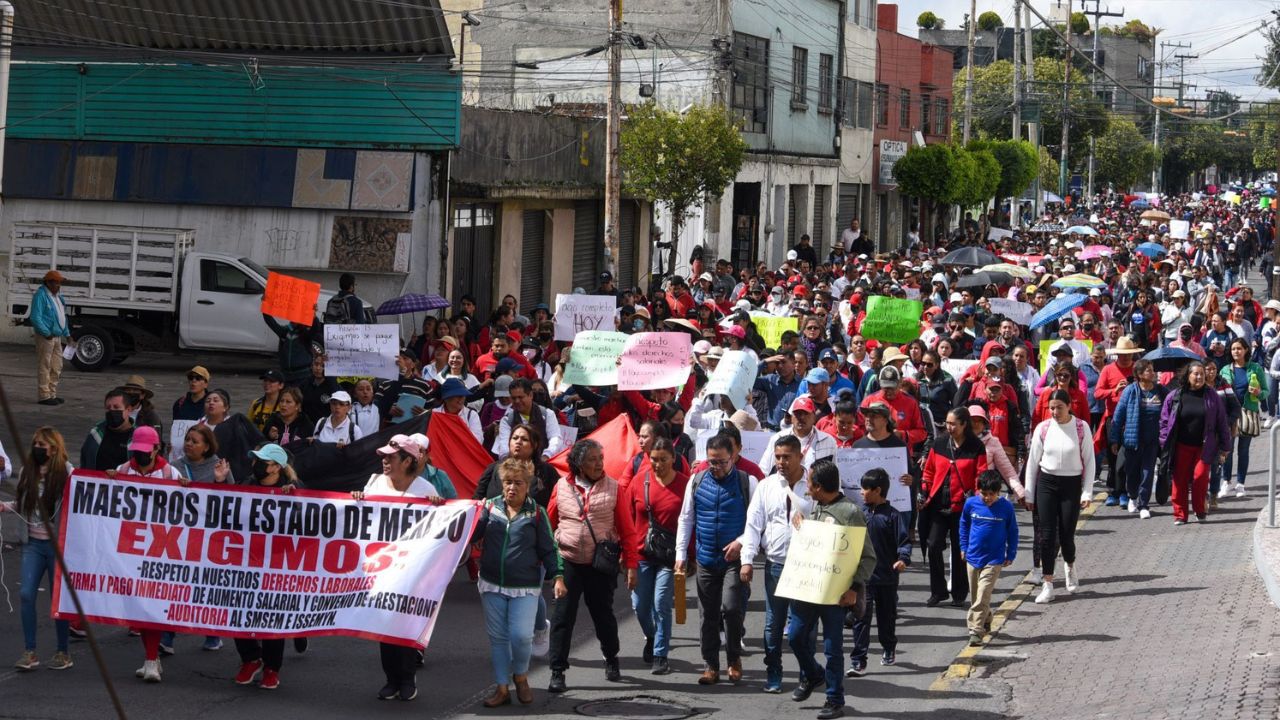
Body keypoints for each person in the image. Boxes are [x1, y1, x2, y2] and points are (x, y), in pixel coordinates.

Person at [786, 459, 877, 720]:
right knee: (795, 636)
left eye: (810, 482)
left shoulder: (850, 513)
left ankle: (835, 699)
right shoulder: (816, 507)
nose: (807, 488)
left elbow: (867, 557)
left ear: (819, 486)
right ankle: (814, 675)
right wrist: (803, 529)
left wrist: (854, 588)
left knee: (832, 648)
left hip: (836, 595)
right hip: (809, 589)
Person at [473, 458, 567, 707]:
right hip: (492, 583)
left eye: (517, 483)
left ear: (528, 485)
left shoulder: (537, 513)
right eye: (507, 483)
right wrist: (473, 514)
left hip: (525, 586)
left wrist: (558, 576)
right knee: (499, 639)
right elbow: (470, 535)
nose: (511, 487)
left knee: (521, 636)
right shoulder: (489, 508)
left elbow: (550, 548)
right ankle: (502, 688)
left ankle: (521, 676)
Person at [545, 439, 638, 693]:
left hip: (600, 564)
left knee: (603, 616)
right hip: (568, 562)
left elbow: (628, 532)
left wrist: (631, 565)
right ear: (578, 464)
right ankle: (557, 670)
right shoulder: (561, 487)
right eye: (592, 459)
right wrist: (548, 562)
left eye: (600, 458)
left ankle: (611, 658)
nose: (599, 464)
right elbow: (548, 522)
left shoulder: (615, 488)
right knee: (563, 618)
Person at [351, 435, 438, 700]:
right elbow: (362, 516)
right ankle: (391, 679)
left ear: (408, 461)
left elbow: (440, 528)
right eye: (384, 456)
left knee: (405, 624)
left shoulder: (424, 489)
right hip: (380, 567)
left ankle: (407, 678)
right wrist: (358, 499)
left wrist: (437, 507)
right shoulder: (376, 482)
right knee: (384, 623)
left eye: (391, 457)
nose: (385, 461)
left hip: (411, 567)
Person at [675, 434, 757, 685]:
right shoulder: (696, 482)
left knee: (731, 609)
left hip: (734, 559)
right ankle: (710, 665)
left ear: (733, 457)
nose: (717, 467)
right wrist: (680, 555)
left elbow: (756, 523)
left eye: (722, 462)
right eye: (712, 462)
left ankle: (734, 659)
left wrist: (741, 542)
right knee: (707, 616)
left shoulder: (747, 482)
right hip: (706, 559)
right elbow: (686, 519)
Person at [105, 426, 184, 682]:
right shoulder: (124, 469)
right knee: (140, 607)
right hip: (131, 548)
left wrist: (185, 488)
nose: (139, 456)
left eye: (144, 452)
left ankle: (151, 659)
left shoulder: (170, 472)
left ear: (157, 449)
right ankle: (152, 658)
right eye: (136, 452)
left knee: (154, 605)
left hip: (161, 548)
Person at [740, 435, 811, 692]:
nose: (780, 462)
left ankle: (807, 673)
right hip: (776, 565)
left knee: (804, 625)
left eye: (786, 457)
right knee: (773, 623)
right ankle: (774, 671)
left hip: (807, 567)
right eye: (777, 456)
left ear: (799, 457)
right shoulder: (766, 486)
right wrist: (746, 560)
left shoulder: (813, 483)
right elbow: (753, 524)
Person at [3, 427, 74, 671]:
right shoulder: (27, 470)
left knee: (58, 599)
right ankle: (30, 650)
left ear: (54, 448)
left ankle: (63, 651)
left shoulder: (66, 471)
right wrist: (5, 506)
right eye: (35, 443)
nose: (37, 448)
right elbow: (23, 503)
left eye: (42, 445)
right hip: (32, 542)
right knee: (25, 595)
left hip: (56, 546)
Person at [626, 437, 689, 677]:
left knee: (661, 602)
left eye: (664, 459)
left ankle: (661, 655)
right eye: (654, 459)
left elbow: (690, 522)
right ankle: (652, 638)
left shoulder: (685, 485)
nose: (658, 464)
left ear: (674, 459)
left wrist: (688, 556)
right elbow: (627, 520)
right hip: (642, 553)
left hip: (670, 556)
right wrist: (626, 557)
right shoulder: (638, 482)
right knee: (640, 606)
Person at [1026, 390, 1095, 604]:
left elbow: (1090, 461)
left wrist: (1087, 491)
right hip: (1047, 483)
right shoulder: (1043, 428)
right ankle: (1048, 584)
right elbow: (1032, 462)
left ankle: (1070, 564)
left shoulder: (1081, 428)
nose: (1055, 412)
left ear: (1069, 406)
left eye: (1059, 407)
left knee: (1066, 535)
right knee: (1046, 536)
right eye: (1051, 408)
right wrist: (1029, 493)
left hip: (1071, 484)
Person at [920, 407, 989, 608]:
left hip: (963, 508)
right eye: (947, 424)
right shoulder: (939, 443)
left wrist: (977, 498)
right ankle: (938, 591)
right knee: (933, 546)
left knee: (961, 551)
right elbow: (929, 471)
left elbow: (980, 476)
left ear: (964, 424)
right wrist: (924, 489)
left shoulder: (976, 447)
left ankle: (959, 593)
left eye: (953, 424)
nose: (949, 427)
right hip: (938, 506)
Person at [848, 468, 910, 677]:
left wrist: (902, 559)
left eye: (866, 489)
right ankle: (858, 660)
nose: (862, 492)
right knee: (861, 618)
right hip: (863, 579)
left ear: (878, 490)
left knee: (887, 617)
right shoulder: (860, 514)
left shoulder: (893, 516)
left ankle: (889, 647)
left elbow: (903, 542)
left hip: (887, 578)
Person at [1159, 362, 1232, 525]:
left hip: (1204, 447)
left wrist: (1226, 447)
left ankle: (1200, 510)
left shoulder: (1212, 395)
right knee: (1180, 480)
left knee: (1200, 478)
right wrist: (1164, 441)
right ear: (1188, 375)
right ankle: (1180, 514)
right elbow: (1164, 421)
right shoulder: (1175, 395)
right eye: (1196, 374)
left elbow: (1221, 421)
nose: (1199, 377)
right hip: (1180, 446)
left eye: (1202, 374)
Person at [959, 470, 1018, 646]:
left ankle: (975, 631)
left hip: (994, 559)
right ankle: (986, 618)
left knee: (984, 593)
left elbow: (1012, 531)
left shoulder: (1006, 508)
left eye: (991, 494)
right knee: (977, 595)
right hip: (973, 557)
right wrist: (963, 547)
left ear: (998, 492)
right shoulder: (970, 504)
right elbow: (964, 526)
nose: (987, 498)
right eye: (984, 494)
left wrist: (1011, 553)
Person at [1108, 360, 1168, 519]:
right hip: (1132, 440)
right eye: (1148, 370)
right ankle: (1132, 496)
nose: (1152, 373)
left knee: (1147, 473)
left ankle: (1143, 504)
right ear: (1139, 375)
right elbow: (1118, 416)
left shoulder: (1161, 391)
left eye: (1152, 370)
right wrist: (1114, 439)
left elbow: (1171, 408)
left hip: (1152, 441)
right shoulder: (1130, 391)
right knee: (1132, 473)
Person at [1219, 337, 1268, 499]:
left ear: (1246, 350)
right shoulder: (1225, 369)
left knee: (1243, 450)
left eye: (1239, 348)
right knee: (1227, 449)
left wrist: (1258, 393)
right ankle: (1225, 481)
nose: (1236, 352)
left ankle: (1241, 484)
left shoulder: (1255, 368)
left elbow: (1266, 392)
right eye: (1233, 349)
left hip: (1248, 412)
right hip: (1229, 415)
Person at [493, 378, 564, 460]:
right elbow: (504, 445)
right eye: (513, 398)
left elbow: (555, 438)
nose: (517, 401)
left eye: (520, 397)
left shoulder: (547, 414)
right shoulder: (507, 420)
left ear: (530, 395)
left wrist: (546, 456)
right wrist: (508, 462)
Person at [31, 269, 70, 405]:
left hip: (56, 337)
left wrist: (67, 334)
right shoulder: (40, 295)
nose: (58, 285)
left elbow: (62, 317)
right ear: (48, 282)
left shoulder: (58, 296)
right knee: (45, 365)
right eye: (56, 283)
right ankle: (44, 396)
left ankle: (52, 394)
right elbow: (35, 317)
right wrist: (46, 333)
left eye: (59, 283)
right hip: (46, 337)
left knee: (56, 366)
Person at [81, 388, 134, 470]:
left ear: (129, 409)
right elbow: (84, 461)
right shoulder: (95, 434)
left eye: (116, 407)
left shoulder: (137, 437)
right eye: (109, 408)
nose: (112, 411)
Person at [433, 378, 483, 444]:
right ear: (446, 398)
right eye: (458, 396)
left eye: (463, 395)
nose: (462, 398)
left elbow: (478, 441)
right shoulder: (435, 413)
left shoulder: (471, 415)